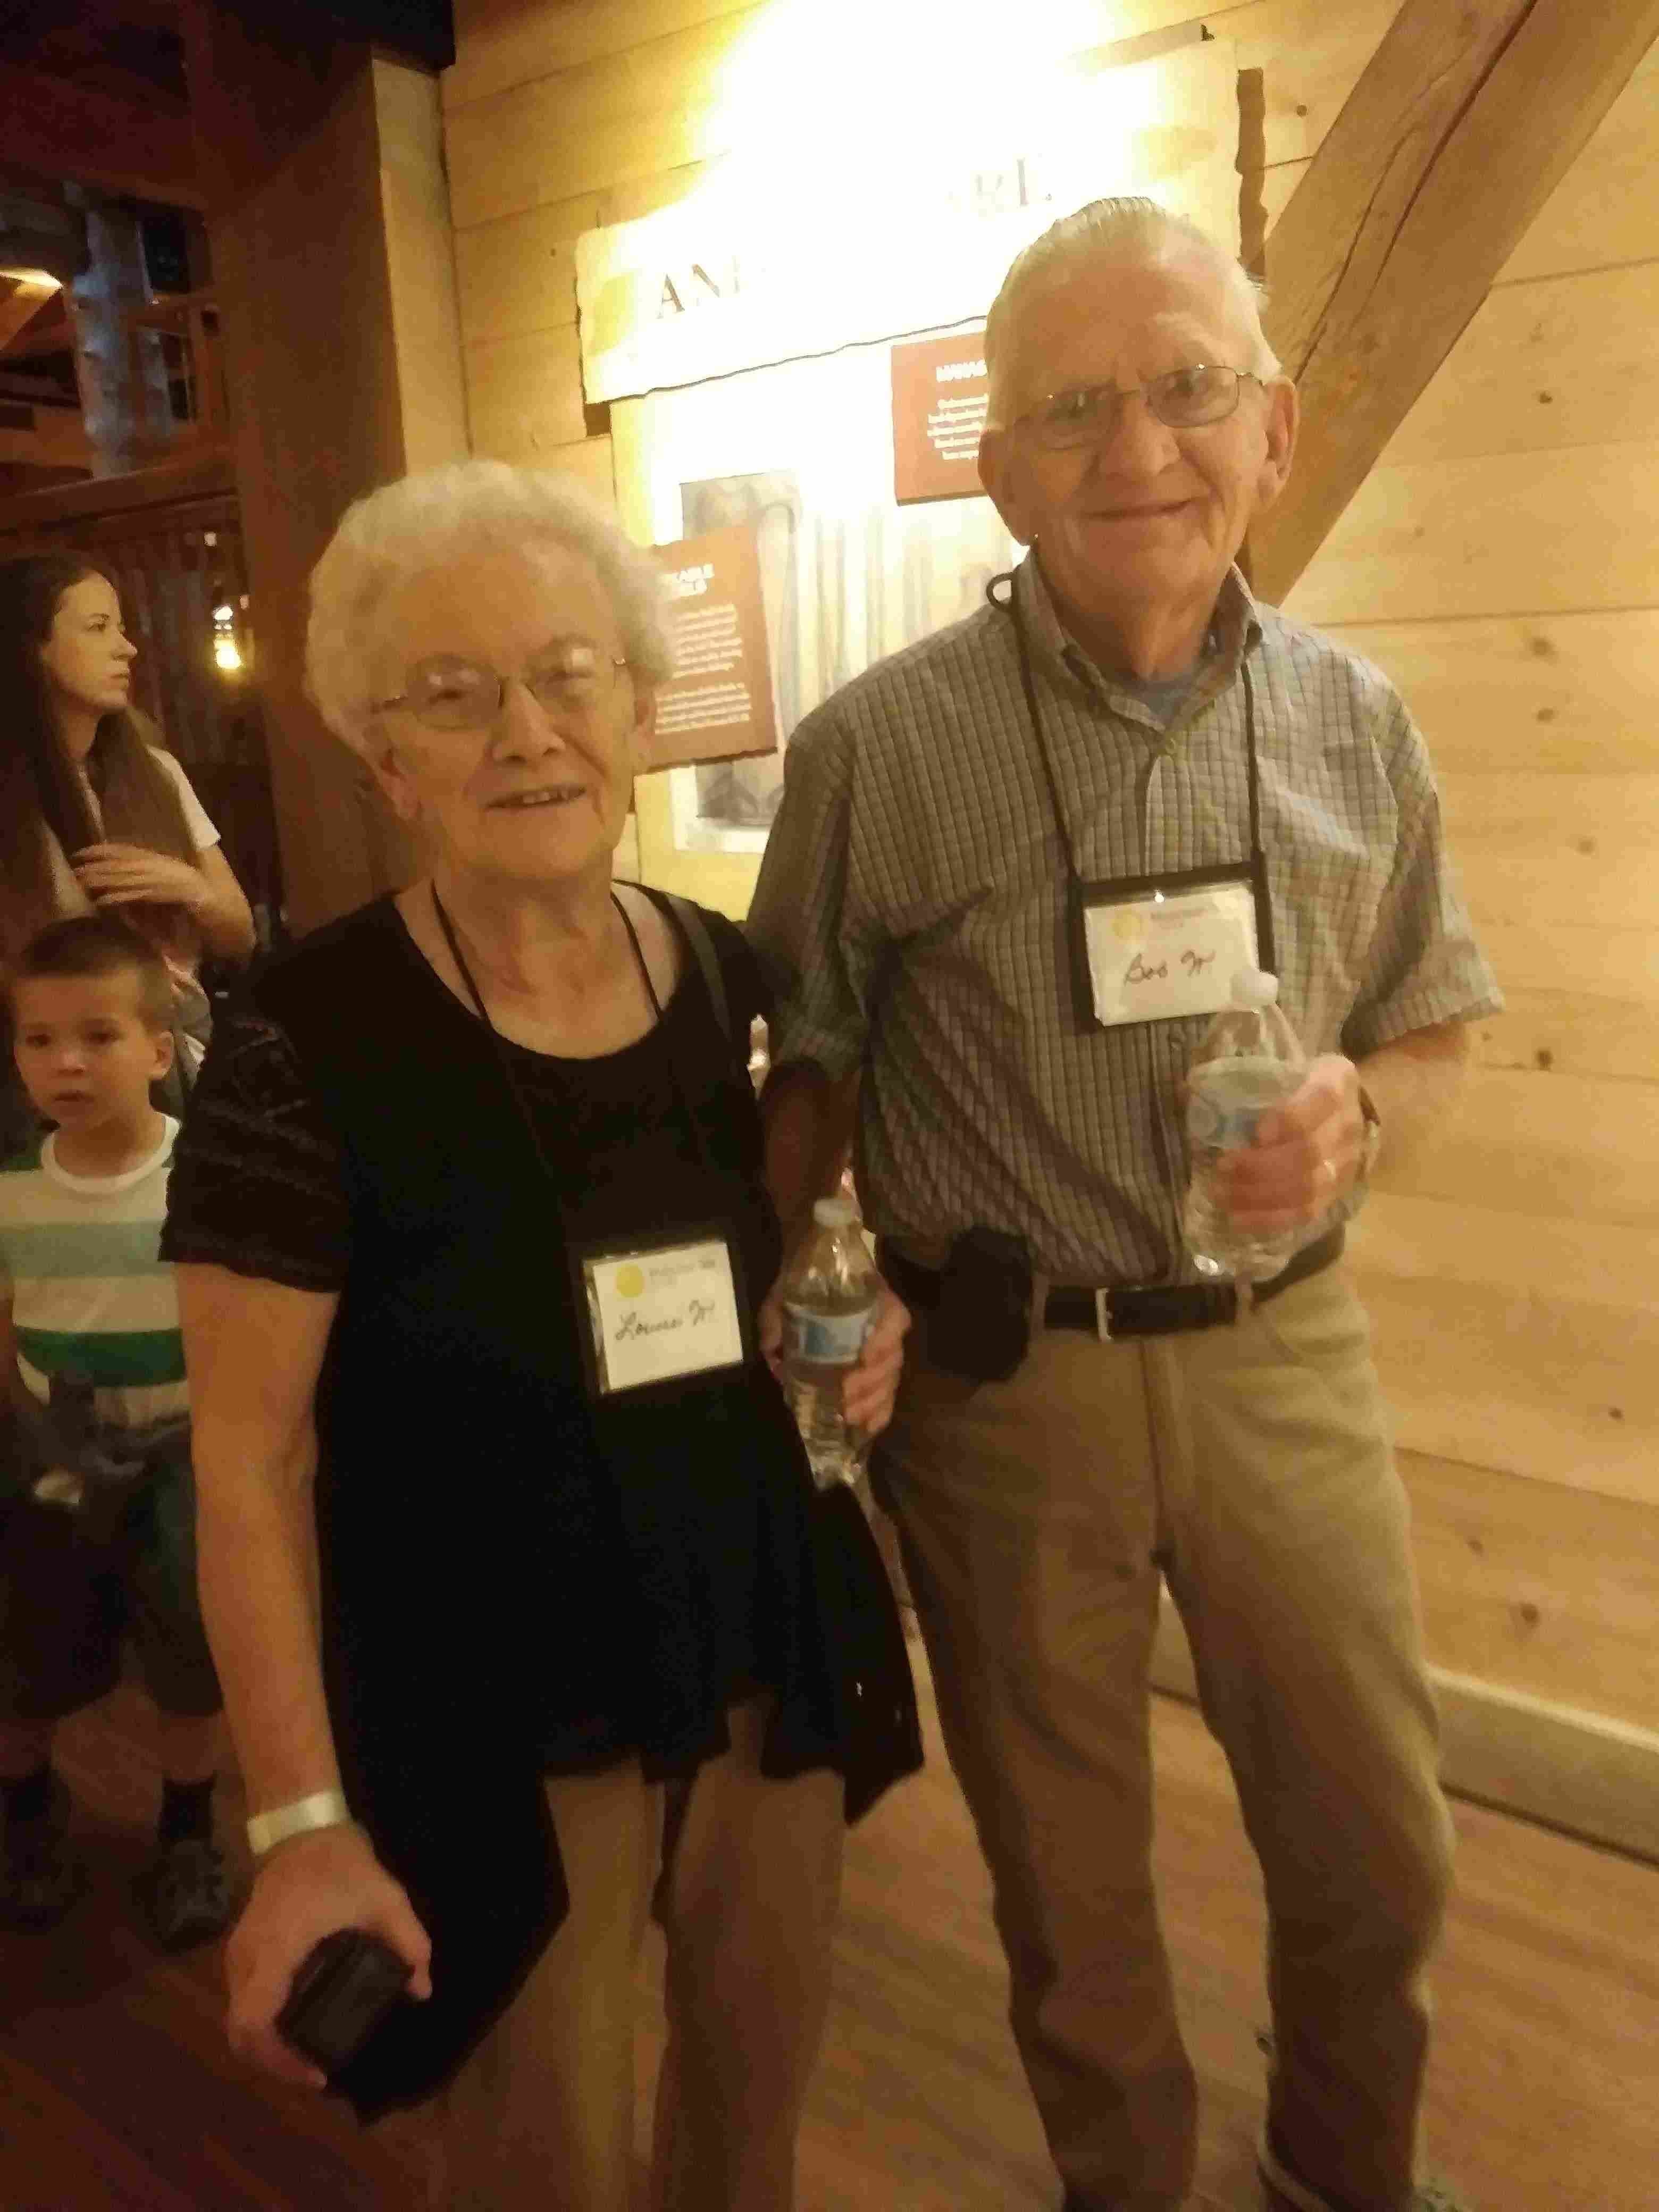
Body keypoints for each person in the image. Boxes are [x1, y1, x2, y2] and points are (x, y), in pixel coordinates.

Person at [748, 196, 1500, 2212]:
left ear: (1274, 429)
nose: (1136, 450)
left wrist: (1360, 1113)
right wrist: (817, 1289)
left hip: (1282, 1359)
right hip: (1007, 1395)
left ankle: (1337, 2173)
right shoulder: (875, 749)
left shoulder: (1355, 723)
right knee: (1067, 1895)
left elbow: (1432, 1024)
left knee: (1376, 1842)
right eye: (1071, 407)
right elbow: (803, 1071)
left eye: (1184, 388)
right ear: (998, 468)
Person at [160, 460, 921, 2210]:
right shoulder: (302, 1041)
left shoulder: (730, 983)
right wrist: (299, 1823)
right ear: (386, 760)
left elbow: (801, 1267)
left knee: (749, 2125)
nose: (526, 732)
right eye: (455, 693)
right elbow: (248, 1463)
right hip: (490, 1707)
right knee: (541, 2161)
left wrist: (858, 1324)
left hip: (757, 1643)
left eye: (569, 675)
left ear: (639, 712)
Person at [0, 915, 232, 1950]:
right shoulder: (11, 1193)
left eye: (98, 1035)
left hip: (187, 1457)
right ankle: (24, 1817)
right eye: (40, 1039)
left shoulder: (207, 1179)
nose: (67, 1063)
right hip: (51, 1458)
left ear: (157, 1048)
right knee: (28, 1650)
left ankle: (188, 1831)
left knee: (192, 1656)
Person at [0, 551, 257, 1152]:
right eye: (98, 628)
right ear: (31, 650)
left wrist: (187, 886)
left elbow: (239, 935)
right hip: (41, 1082)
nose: (127, 649)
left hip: (170, 1062)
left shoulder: (157, 773)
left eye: (121, 627)